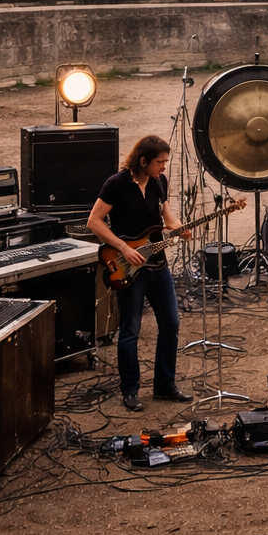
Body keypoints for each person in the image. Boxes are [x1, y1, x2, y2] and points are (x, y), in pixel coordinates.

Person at [87, 134, 192, 412]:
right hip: (129, 267)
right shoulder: (116, 184)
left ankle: (165, 385)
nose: (164, 166)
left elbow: (168, 218)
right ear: (143, 160)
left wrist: (180, 228)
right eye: (160, 162)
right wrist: (123, 247)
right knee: (130, 330)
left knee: (171, 323)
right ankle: (130, 389)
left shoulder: (159, 182)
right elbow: (94, 221)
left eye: (165, 161)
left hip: (158, 264)